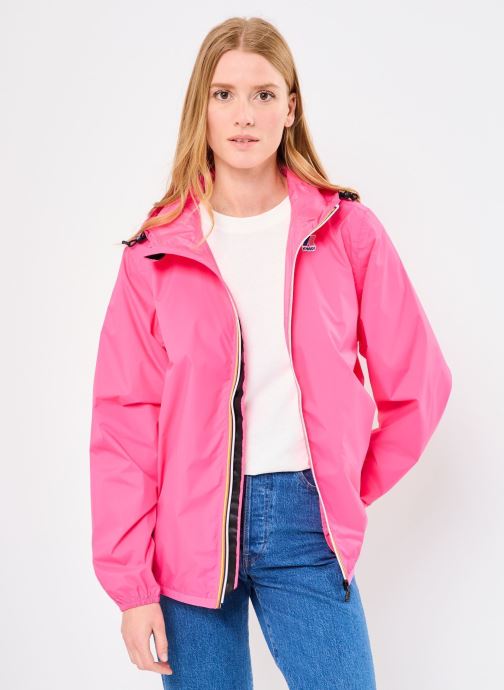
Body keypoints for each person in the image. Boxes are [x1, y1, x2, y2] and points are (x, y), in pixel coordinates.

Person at [89, 15, 452, 690]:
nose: (243, 115)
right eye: (223, 94)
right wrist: (132, 587)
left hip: (306, 521)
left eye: (263, 94)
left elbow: (420, 384)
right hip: (187, 532)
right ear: (201, 109)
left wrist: (347, 482)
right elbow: (124, 425)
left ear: (290, 108)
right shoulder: (155, 254)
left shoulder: (347, 232)